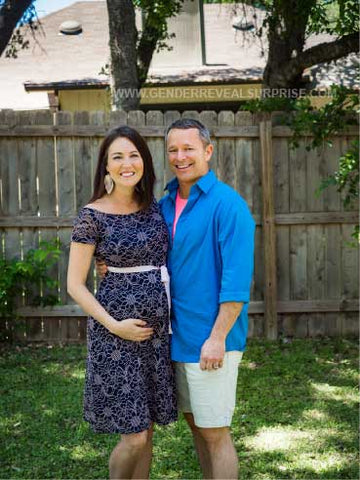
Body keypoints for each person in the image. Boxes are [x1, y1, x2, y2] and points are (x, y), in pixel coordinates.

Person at [97, 118, 255, 479]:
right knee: (197, 425)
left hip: (210, 339)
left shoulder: (229, 207)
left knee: (215, 431)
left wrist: (217, 339)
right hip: (171, 337)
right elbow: (147, 253)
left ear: (208, 151)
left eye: (189, 148)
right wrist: (111, 265)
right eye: (173, 150)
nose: (180, 157)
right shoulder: (164, 205)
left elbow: (235, 285)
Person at [67, 125, 177, 480]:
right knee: (134, 436)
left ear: (144, 161)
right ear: (106, 166)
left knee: (147, 431)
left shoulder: (154, 208)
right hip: (115, 337)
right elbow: (74, 285)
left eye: (134, 155)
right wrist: (114, 325)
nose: (127, 163)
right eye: (118, 157)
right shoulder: (91, 215)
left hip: (156, 337)